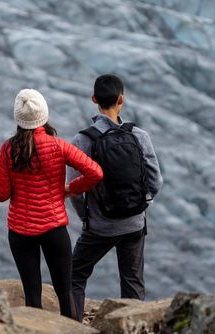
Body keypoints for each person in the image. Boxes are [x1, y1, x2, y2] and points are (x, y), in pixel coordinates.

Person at [0, 89, 103, 320]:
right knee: (65, 294)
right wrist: (69, 189)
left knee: (32, 298)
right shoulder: (58, 146)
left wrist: (19, 182)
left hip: (20, 232)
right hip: (54, 229)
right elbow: (95, 172)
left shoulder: (7, 150)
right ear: (43, 114)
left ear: (18, 118)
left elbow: (1, 195)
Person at [67, 74, 163, 321]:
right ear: (121, 100)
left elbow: (75, 189)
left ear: (94, 100)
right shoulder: (139, 136)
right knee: (132, 283)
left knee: (73, 276)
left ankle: (73, 327)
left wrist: (87, 217)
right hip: (134, 224)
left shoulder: (83, 140)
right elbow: (156, 182)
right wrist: (141, 206)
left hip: (100, 226)